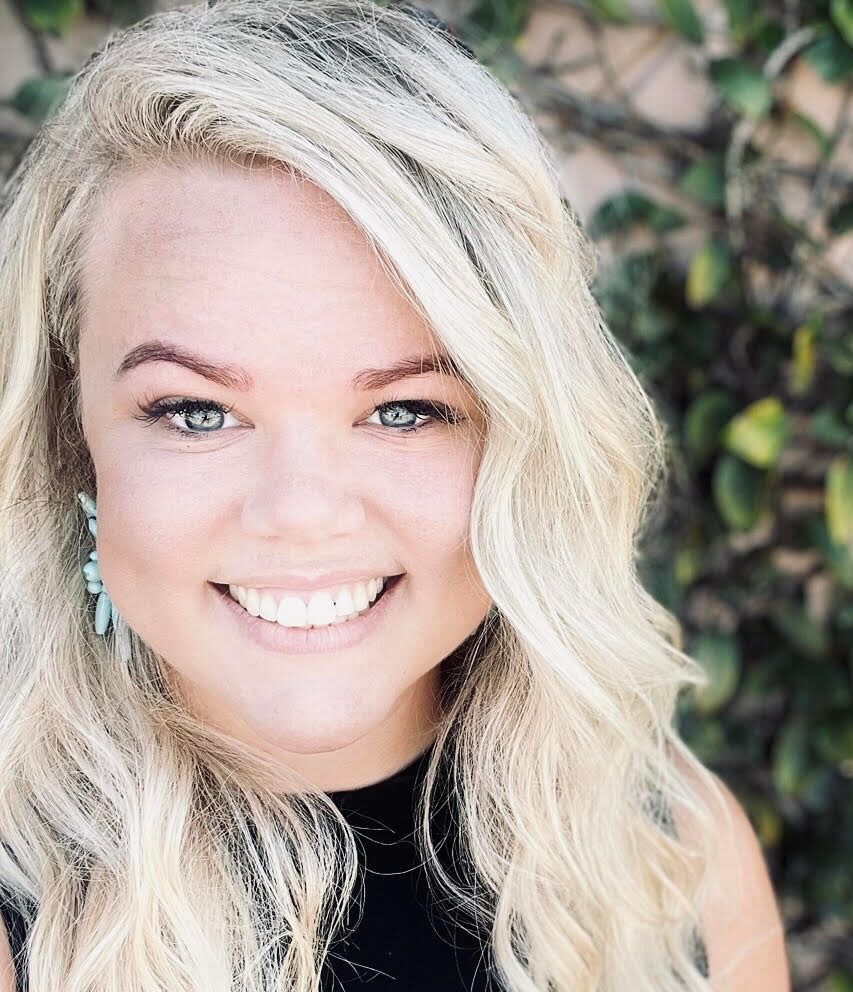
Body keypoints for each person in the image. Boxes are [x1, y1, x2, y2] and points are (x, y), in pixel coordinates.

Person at [0, 0, 789, 989]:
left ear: (522, 435)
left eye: (407, 408)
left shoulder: (666, 861)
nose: (301, 508)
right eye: (195, 410)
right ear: (72, 443)